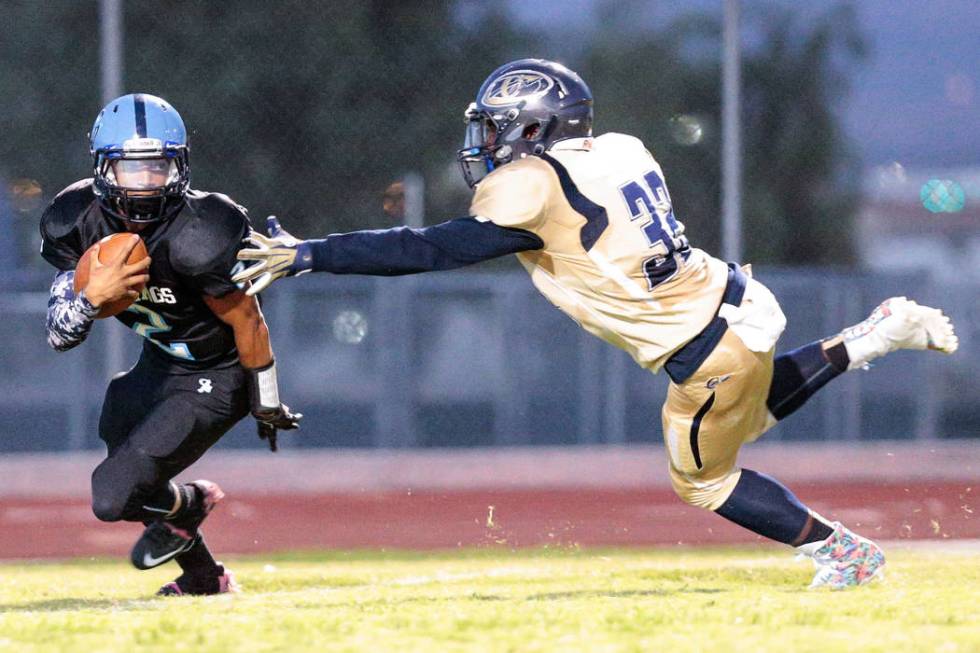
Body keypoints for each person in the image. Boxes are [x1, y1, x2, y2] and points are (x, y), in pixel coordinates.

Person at [233, 60, 958, 589]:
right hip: (738, 299)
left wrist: (310, 254)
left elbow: (430, 248)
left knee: (703, 479)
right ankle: (870, 337)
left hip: (702, 347)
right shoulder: (621, 147)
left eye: (495, 126)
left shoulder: (529, 184)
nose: (484, 141)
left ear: (534, 126)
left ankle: (846, 553)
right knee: (744, 415)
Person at [41, 93, 302, 596]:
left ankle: (187, 508)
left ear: (179, 166)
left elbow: (249, 322)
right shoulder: (75, 220)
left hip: (217, 373)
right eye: (130, 169)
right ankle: (205, 577)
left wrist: (265, 401)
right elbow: (60, 336)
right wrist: (88, 301)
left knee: (112, 497)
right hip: (160, 362)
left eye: (157, 167)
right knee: (122, 441)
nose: (144, 183)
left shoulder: (201, 231)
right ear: (102, 168)